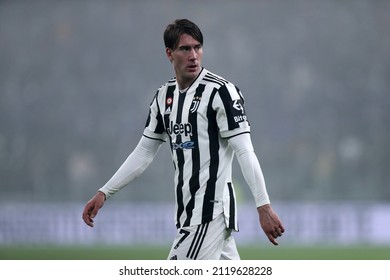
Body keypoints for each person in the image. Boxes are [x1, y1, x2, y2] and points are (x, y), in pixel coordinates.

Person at [82, 18, 285, 260]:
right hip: (188, 213)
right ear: (169, 53)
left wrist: (263, 205)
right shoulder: (163, 97)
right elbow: (143, 153)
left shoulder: (220, 92)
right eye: (185, 49)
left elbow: (245, 151)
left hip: (209, 212)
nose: (193, 55)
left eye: (197, 47)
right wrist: (105, 192)